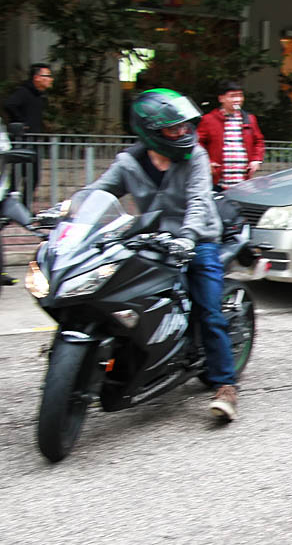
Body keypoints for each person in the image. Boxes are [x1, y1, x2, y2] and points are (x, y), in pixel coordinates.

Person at [85, 88, 239, 420]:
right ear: (150, 131)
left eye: (186, 126)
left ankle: (226, 386)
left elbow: (199, 200)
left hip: (198, 239)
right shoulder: (129, 162)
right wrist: (64, 212)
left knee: (209, 311)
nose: (183, 133)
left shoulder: (194, 156)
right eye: (174, 129)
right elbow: (98, 192)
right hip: (150, 241)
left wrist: (188, 237)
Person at [197, 81, 265, 190]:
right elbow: (198, 143)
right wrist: (206, 162)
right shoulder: (209, 119)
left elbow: (258, 141)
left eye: (240, 95)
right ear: (221, 99)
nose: (237, 100)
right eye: (232, 96)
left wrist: (256, 160)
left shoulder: (249, 119)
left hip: (243, 179)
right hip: (218, 179)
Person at [3, 63, 54, 133]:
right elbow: (9, 104)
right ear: (37, 78)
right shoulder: (24, 92)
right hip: (24, 139)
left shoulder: (40, 95)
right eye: (48, 76)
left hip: (36, 138)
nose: (51, 79)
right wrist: (22, 122)